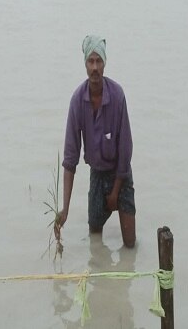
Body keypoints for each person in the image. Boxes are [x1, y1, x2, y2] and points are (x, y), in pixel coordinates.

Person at [58, 35, 136, 248]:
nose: (94, 67)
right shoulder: (77, 100)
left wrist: (115, 192)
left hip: (121, 174)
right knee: (95, 243)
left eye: (98, 61)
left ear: (104, 64)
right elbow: (70, 159)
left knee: (130, 245)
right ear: (85, 64)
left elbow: (126, 148)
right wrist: (65, 210)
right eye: (90, 62)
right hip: (97, 175)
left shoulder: (117, 96)